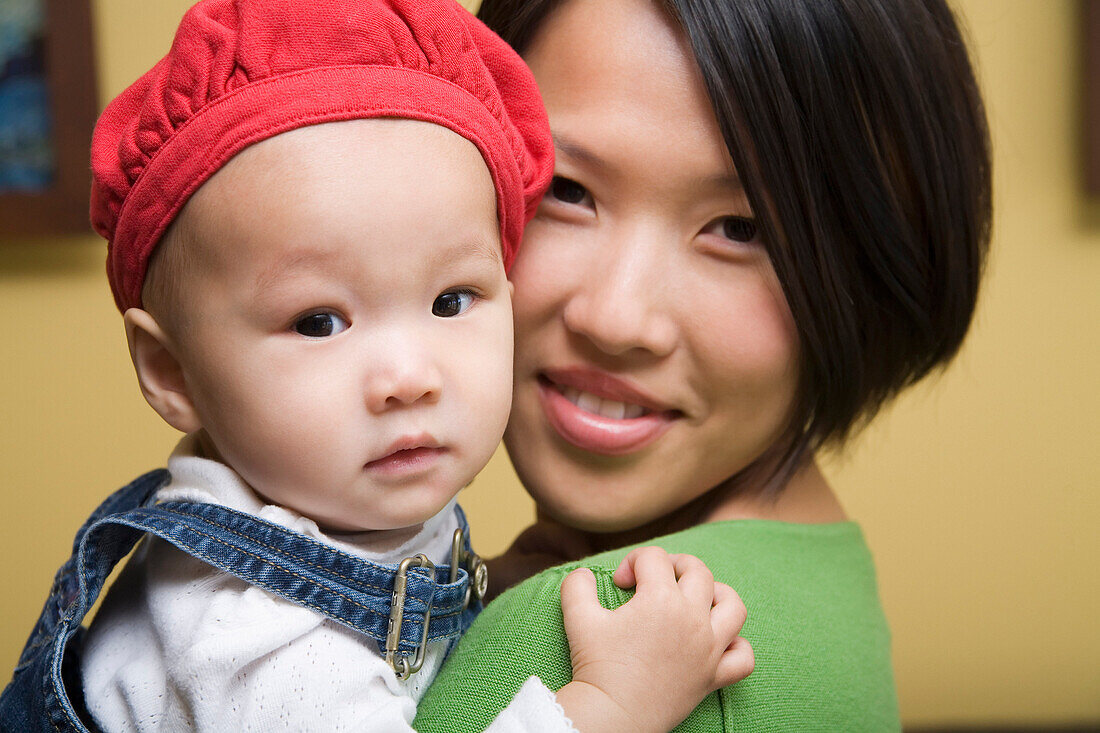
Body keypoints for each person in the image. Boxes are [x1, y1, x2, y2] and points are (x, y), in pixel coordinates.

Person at [0, 1, 755, 731]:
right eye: (319, 321)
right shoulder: (260, 644)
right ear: (171, 373)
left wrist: (498, 579)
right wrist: (614, 705)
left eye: (453, 299)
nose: (410, 375)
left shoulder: (331, 503)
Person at [414, 0, 991, 730]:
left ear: (871, 271)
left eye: (739, 230)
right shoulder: (825, 580)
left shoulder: (606, 647)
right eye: (568, 190)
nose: (616, 317)